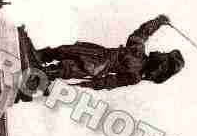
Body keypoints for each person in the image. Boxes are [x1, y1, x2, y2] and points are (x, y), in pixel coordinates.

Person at [18, 15, 184, 97]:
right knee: (66, 50)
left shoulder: (135, 75)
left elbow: (111, 82)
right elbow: (142, 32)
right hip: (96, 54)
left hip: (96, 66)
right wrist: (158, 22)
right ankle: (39, 57)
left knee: (66, 68)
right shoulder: (138, 51)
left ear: (161, 66)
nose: (161, 52)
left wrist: (89, 85)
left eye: (164, 55)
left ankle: (40, 75)